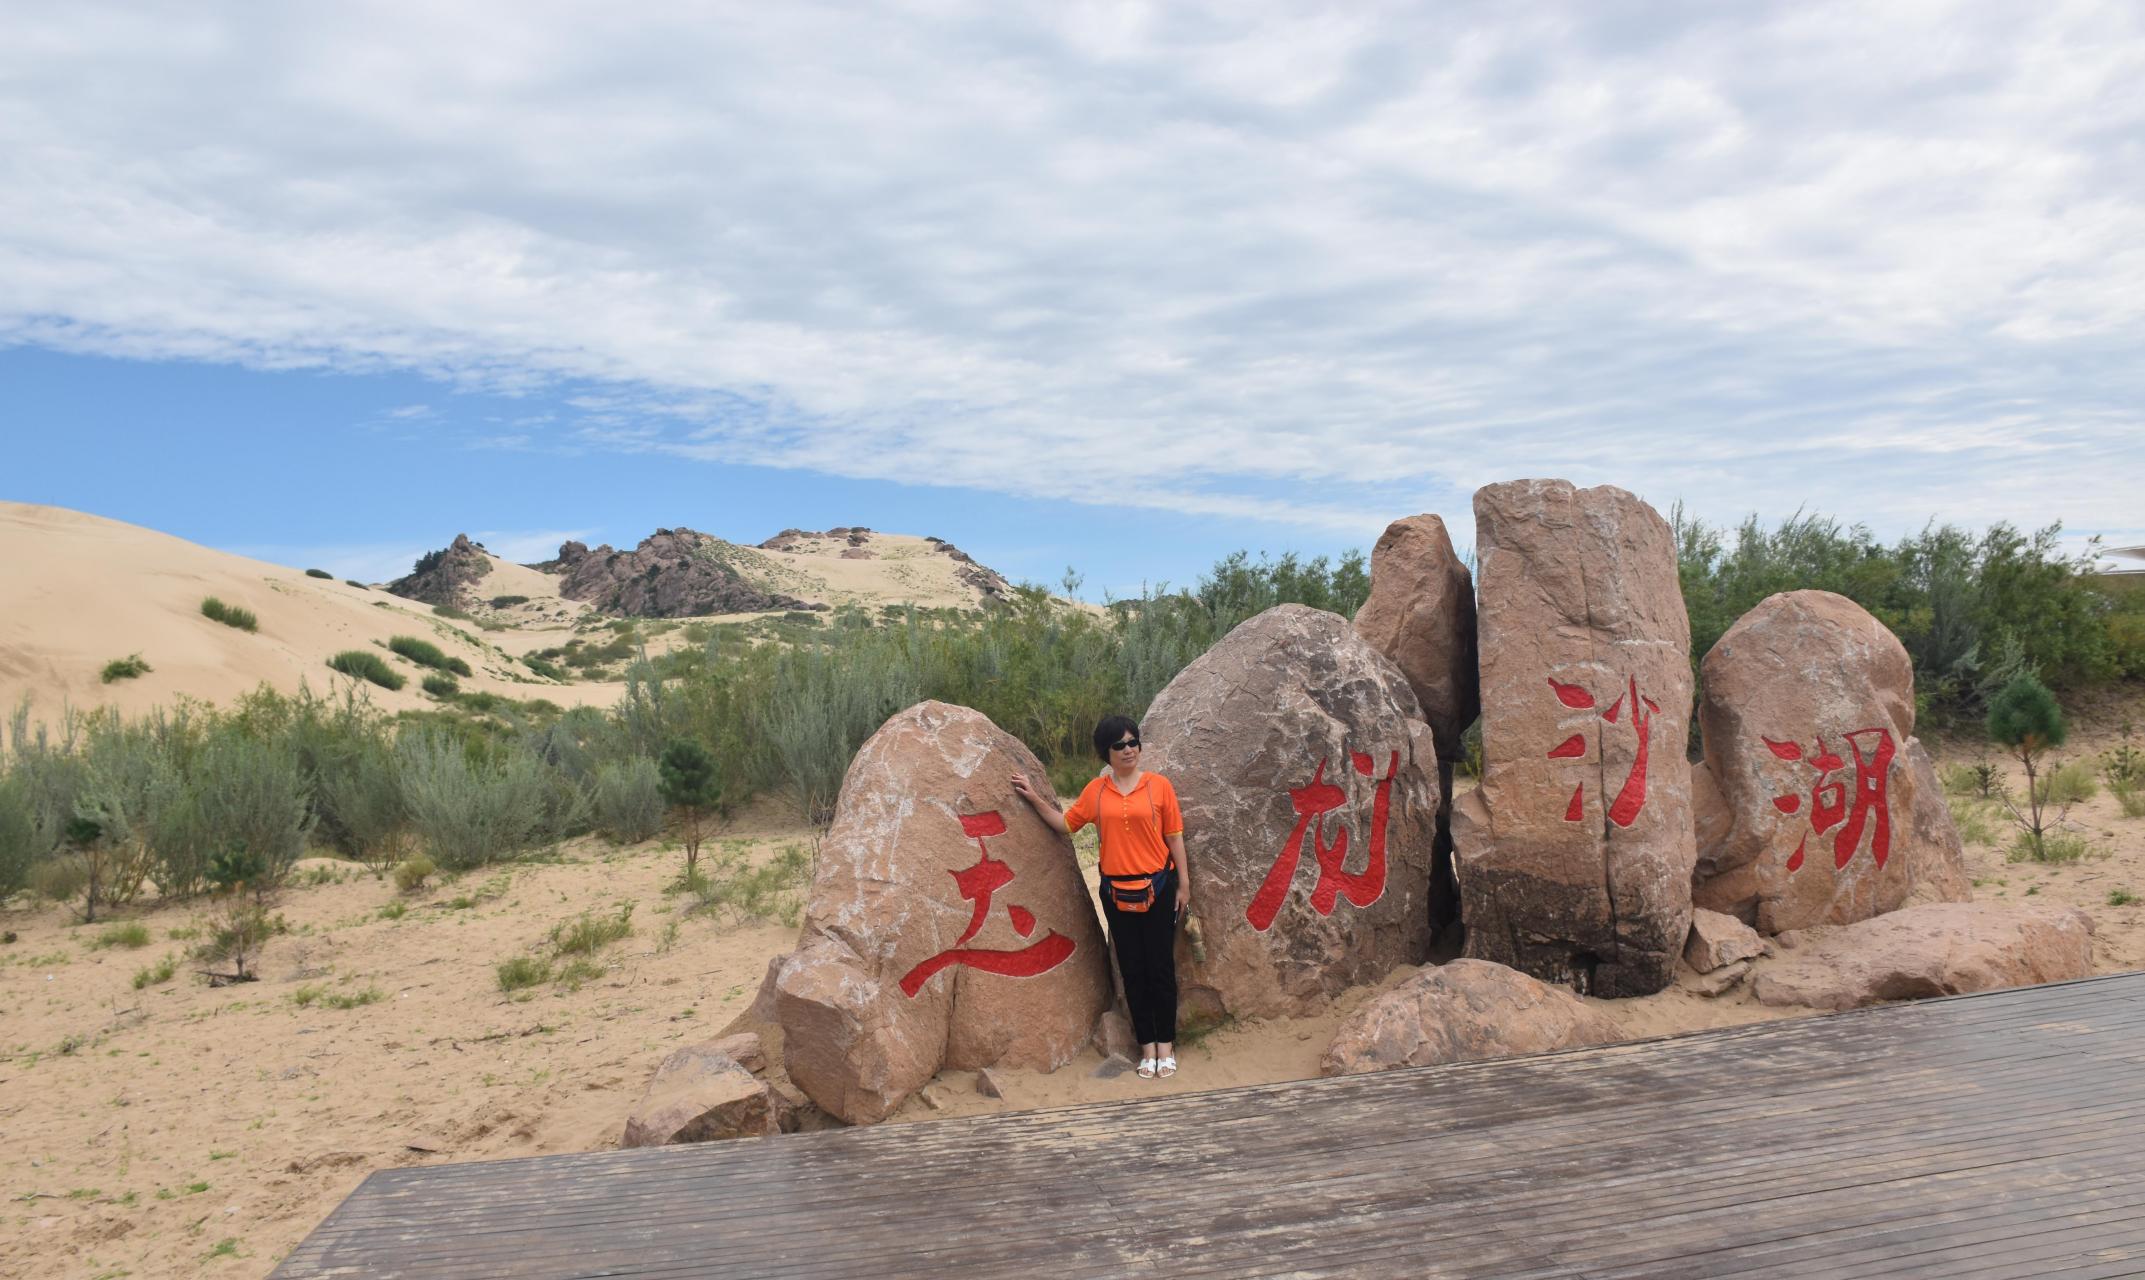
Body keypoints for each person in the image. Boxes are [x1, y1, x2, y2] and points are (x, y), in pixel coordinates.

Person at [1011, 715, 1191, 1080]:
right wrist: (1033, 797)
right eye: (1119, 745)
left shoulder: (1159, 787)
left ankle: (1166, 1045)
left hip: (1158, 888)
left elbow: (1174, 837)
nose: (1128, 750)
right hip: (1117, 894)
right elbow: (1066, 824)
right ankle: (1147, 1047)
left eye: (1133, 742)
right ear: (1106, 753)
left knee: (1160, 968)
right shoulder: (1096, 792)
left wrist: (1184, 884)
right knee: (1133, 970)